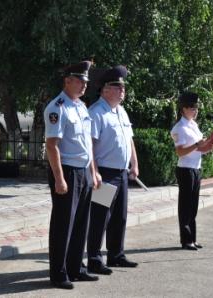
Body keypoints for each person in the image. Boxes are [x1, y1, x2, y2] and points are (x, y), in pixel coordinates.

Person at [44, 60, 99, 290]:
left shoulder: (81, 106)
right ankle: (59, 273)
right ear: (67, 81)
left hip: (83, 171)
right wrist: (59, 178)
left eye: (86, 81)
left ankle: (77, 268)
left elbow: (87, 143)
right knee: (63, 225)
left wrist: (93, 172)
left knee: (80, 224)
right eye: (80, 81)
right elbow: (52, 145)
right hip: (66, 171)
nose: (85, 85)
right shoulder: (57, 107)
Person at [87, 65, 139, 275]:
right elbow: (89, 145)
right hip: (105, 173)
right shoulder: (96, 113)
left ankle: (116, 255)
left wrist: (134, 163)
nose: (122, 90)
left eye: (123, 86)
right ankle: (93, 258)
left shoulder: (121, 111)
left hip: (121, 173)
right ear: (105, 89)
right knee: (100, 217)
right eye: (118, 86)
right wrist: (94, 171)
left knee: (119, 217)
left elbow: (129, 140)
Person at [170, 91, 213, 250]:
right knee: (185, 206)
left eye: (196, 108)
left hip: (195, 168)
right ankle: (186, 240)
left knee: (193, 205)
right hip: (185, 170)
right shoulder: (179, 128)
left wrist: (209, 147)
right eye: (192, 108)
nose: (195, 111)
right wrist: (198, 145)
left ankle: (193, 238)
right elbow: (180, 152)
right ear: (183, 109)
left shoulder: (193, 125)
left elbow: (198, 149)